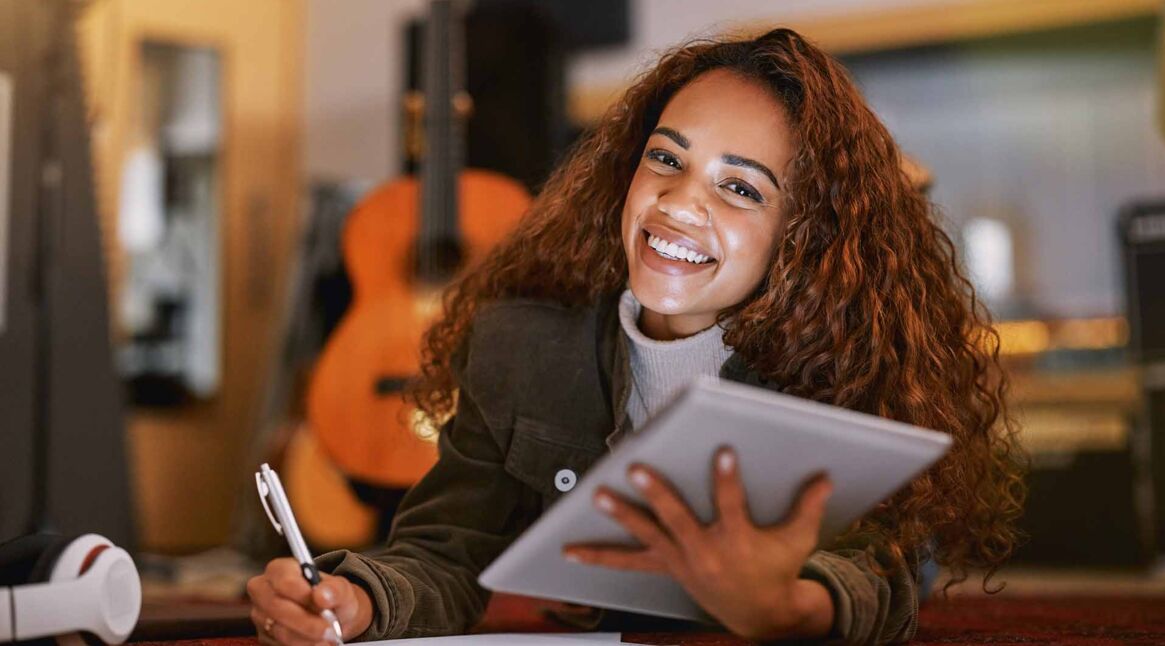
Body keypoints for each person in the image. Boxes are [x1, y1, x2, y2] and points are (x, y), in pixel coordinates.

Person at [246, 27, 1026, 644]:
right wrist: (353, 600)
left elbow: (878, 574)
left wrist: (787, 607)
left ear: (803, 234)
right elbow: (443, 553)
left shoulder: (843, 364)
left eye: (740, 187)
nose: (680, 205)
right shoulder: (517, 350)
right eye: (666, 159)